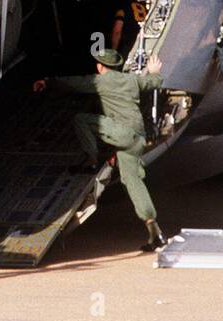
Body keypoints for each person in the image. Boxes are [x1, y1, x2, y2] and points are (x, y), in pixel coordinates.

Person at [33, 49, 167, 252]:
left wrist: (48, 82)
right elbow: (154, 83)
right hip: (138, 140)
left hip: (122, 134)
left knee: (81, 119)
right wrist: (153, 71)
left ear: (100, 66)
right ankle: (154, 233)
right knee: (133, 183)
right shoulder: (132, 80)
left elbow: (74, 83)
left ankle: (91, 159)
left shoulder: (100, 81)